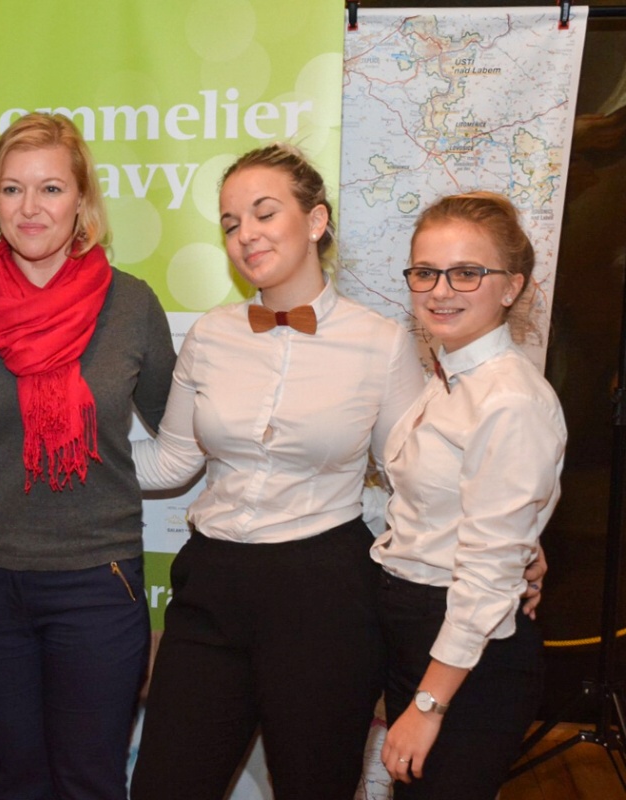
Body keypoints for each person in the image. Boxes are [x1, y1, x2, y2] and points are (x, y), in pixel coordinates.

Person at [128, 143, 426, 800]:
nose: (246, 235)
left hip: (324, 594)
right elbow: (173, 460)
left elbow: (416, 481)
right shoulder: (210, 335)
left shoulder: (381, 343)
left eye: (264, 213)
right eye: (231, 223)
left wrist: (504, 545)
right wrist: (62, 457)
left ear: (316, 220)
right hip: (211, 586)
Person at [0, 112, 177, 800]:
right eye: (12, 189)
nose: (30, 208)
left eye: (50, 189)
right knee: (13, 784)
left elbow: (182, 433)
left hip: (96, 583)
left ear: (81, 201)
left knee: (89, 783)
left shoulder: (131, 305)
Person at [375, 192, 566, 799]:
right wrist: (525, 548)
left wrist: (428, 705)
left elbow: (485, 573)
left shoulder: (509, 399)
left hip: (470, 658)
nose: (440, 290)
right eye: (426, 272)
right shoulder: (451, 376)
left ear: (511, 287)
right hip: (423, 632)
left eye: (466, 273)